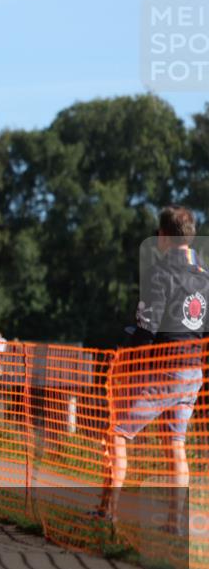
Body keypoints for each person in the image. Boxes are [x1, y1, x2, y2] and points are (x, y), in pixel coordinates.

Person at [99, 205, 208, 535]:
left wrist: (128, 362)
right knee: (175, 444)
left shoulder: (161, 273)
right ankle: (175, 523)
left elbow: (146, 327)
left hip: (165, 369)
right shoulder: (205, 276)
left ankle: (108, 515)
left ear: (162, 236)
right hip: (194, 372)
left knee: (117, 431)